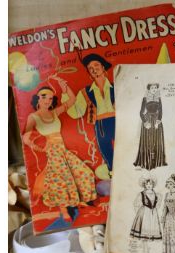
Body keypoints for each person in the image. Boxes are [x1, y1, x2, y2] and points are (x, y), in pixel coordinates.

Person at [23, 76, 97, 224]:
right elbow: (25, 136)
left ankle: (83, 199)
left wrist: (64, 86)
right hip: (52, 152)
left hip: (62, 150)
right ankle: (68, 207)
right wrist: (37, 147)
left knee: (85, 172)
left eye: (50, 98)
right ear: (38, 98)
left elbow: (72, 100)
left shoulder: (54, 113)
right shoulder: (33, 117)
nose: (48, 100)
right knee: (64, 180)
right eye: (44, 97)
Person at [65, 54, 115, 176]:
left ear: (103, 67)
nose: (93, 69)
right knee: (107, 152)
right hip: (101, 125)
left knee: (125, 147)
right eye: (90, 68)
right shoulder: (85, 92)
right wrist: (67, 95)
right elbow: (76, 112)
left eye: (96, 65)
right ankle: (114, 175)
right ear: (89, 73)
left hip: (118, 121)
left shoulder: (117, 85)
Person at [133, 83, 167, 170]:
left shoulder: (159, 99)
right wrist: (145, 122)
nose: (154, 89)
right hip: (147, 120)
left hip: (156, 121)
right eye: (152, 87)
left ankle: (156, 162)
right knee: (148, 141)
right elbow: (141, 112)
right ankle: (146, 162)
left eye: (155, 87)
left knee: (156, 140)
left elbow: (161, 111)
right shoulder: (145, 99)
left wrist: (158, 122)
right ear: (149, 89)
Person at [130, 175, 162, 253]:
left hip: (153, 213)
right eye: (147, 184)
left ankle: (149, 248)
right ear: (145, 185)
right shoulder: (141, 194)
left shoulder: (157, 194)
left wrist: (154, 209)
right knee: (144, 229)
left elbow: (158, 204)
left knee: (151, 230)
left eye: (150, 184)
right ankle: (145, 246)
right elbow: (136, 203)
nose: (149, 186)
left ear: (153, 185)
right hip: (144, 213)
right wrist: (140, 212)